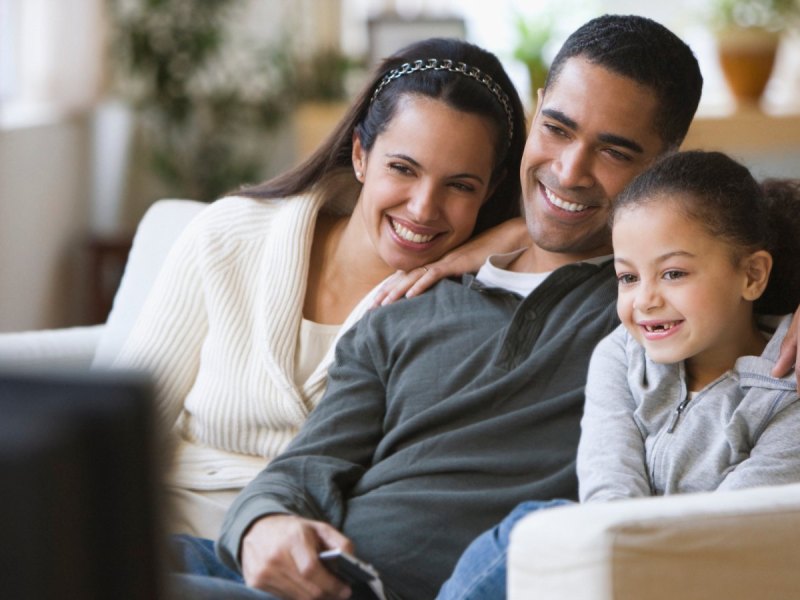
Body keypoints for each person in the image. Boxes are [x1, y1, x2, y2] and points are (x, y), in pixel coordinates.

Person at [167, 14, 708, 600]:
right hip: (322, 576)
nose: (569, 170)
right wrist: (265, 523)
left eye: (615, 151)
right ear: (538, 108)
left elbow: (757, 225)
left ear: (664, 165)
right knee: (79, 554)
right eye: (557, 128)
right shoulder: (408, 307)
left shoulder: (661, 309)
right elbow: (306, 467)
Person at [111, 37, 529, 541]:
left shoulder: (467, 310)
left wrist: (521, 231)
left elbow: (629, 233)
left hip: (312, 557)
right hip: (161, 531)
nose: (423, 208)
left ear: (489, 190)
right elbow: (123, 428)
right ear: (360, 154)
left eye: (460, 185)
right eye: (402, 168)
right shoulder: (230, 235)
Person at [435, 150, 800, 600]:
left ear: (752, 274)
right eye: (627, 277)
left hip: (709, 579)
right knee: (530, 529)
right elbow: (608, 492)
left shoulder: (786, 394)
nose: (645, 300)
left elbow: (733, 530)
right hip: (621, 567)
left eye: (673, 272)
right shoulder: (621, 356)